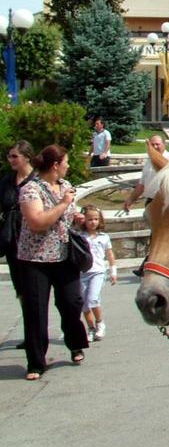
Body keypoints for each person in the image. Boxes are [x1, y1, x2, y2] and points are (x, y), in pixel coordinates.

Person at [18, 145, 90, 380]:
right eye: (66, 161)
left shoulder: (66, 186)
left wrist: (77, 218)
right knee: (35, 311)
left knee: (72, 302)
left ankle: (75, 343)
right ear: (55, 165)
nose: (69, 165)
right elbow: (37, 222)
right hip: (35, 259)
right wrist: (62, 205)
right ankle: (36, 362)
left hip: (64, 256)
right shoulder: (30, 189)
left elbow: (68, 218)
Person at [1, 140, 35, 349]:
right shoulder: (6, 181)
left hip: (35, 243)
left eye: (15, 156)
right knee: (22, 290)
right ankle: (30, 334)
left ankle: (37, 333)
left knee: (36, 291)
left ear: (27, 157)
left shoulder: (38, 179)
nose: (11, 160)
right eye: (9, 156)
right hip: (13, 242)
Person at [79, 205, 115, 341]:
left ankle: (100, 323)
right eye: (89, 219)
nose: (93, 222)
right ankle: (91, 328)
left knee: (92, 299)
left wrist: (113, 271)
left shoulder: (104, 237)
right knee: (84, 303)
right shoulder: (80, 236)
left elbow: (110, 254)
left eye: (96, 219)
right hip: (82, 273)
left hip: (97, 272)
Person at [123, 136, 169, 211]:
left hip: (166, 204)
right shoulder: (149, 161)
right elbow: (142, 185)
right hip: (150, 202)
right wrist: (130, 199)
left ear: (164, 144)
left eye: (157, 144)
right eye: (152, 145)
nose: (155, 147)